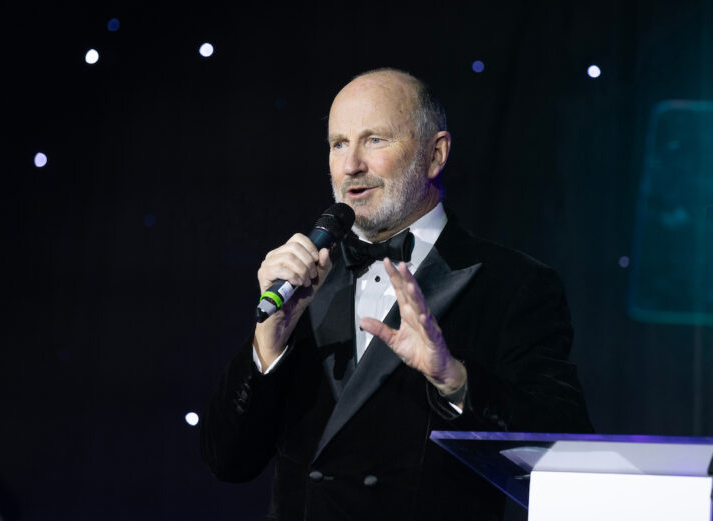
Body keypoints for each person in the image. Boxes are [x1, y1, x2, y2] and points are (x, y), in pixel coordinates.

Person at [200, 68, 592, 521]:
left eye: (375, 140)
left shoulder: (513, 284)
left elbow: (564, 449)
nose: (351, 166)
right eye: (339, 143)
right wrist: (269, 344)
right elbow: (227, 461)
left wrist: (455, 379)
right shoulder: (304, 276)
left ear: (435, 154)